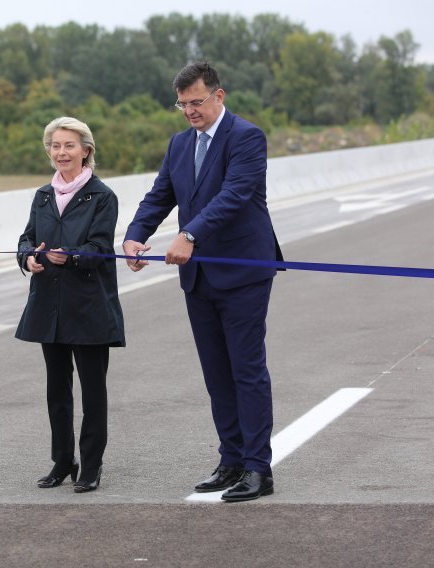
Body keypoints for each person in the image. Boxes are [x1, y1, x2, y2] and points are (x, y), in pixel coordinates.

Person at [122, 62, 283, 502]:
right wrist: (136, 234)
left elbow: (235, 195)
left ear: (219, 95)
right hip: (197, 276)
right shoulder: (178, 145)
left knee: (246, 371)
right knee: (216, 374)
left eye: (196, 102)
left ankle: (257, 468)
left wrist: (188, 233)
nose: (189, 111)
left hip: (243, 270)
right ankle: (230, 459)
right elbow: (160, 194)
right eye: (182, 104)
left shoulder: (246, 137)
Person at [15, 116, 125, 493]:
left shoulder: (103, 196)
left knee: (93, 392)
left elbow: (99, 249)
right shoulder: (42, 195)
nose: (61, 152)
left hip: (88, 306)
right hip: (49, 304)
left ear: (86, 151)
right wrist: (28, 258)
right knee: (56, 390)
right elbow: (27, 239)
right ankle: (62, 461)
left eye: (69, 146)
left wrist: (70, 256)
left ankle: (91, 466)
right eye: (55, 146)